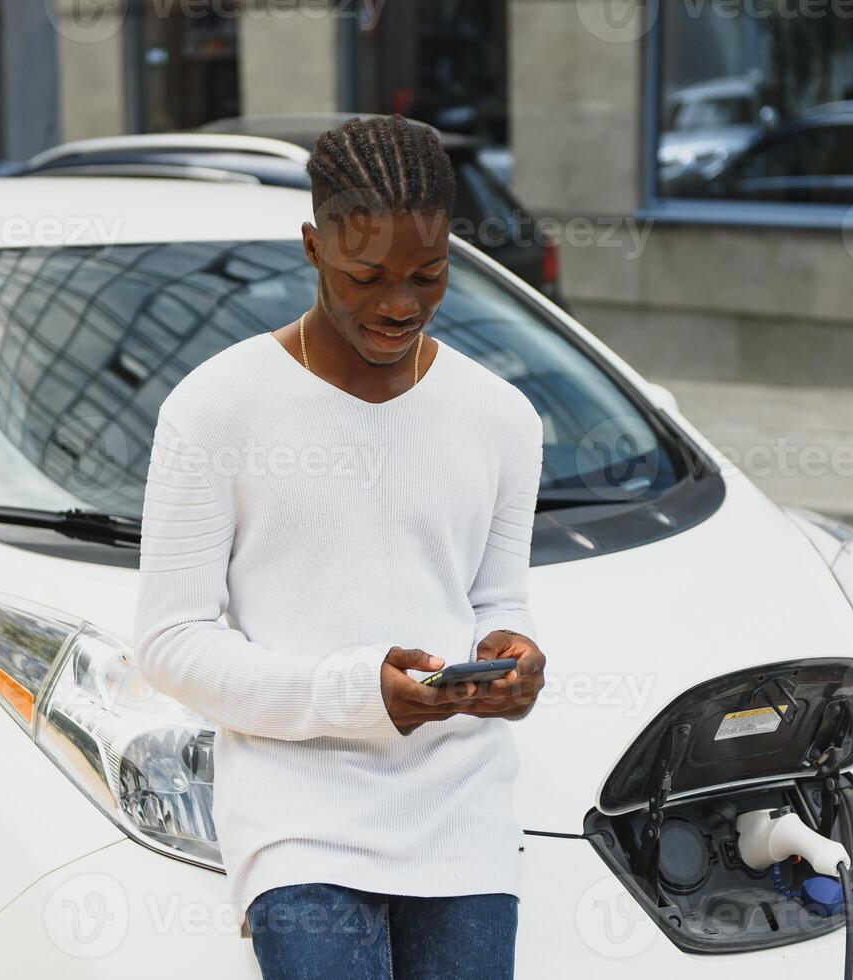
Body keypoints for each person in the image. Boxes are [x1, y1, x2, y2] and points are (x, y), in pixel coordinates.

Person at [132, 112, 547, 980]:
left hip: (461, 813)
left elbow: (493, 600)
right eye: (367, 276)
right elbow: (169, 644)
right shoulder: (216, 410)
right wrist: (358, 694)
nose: (399, 304)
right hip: (300, 817)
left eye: (427, 275)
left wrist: (510, 659)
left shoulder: (501, 418)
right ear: (313, 247)